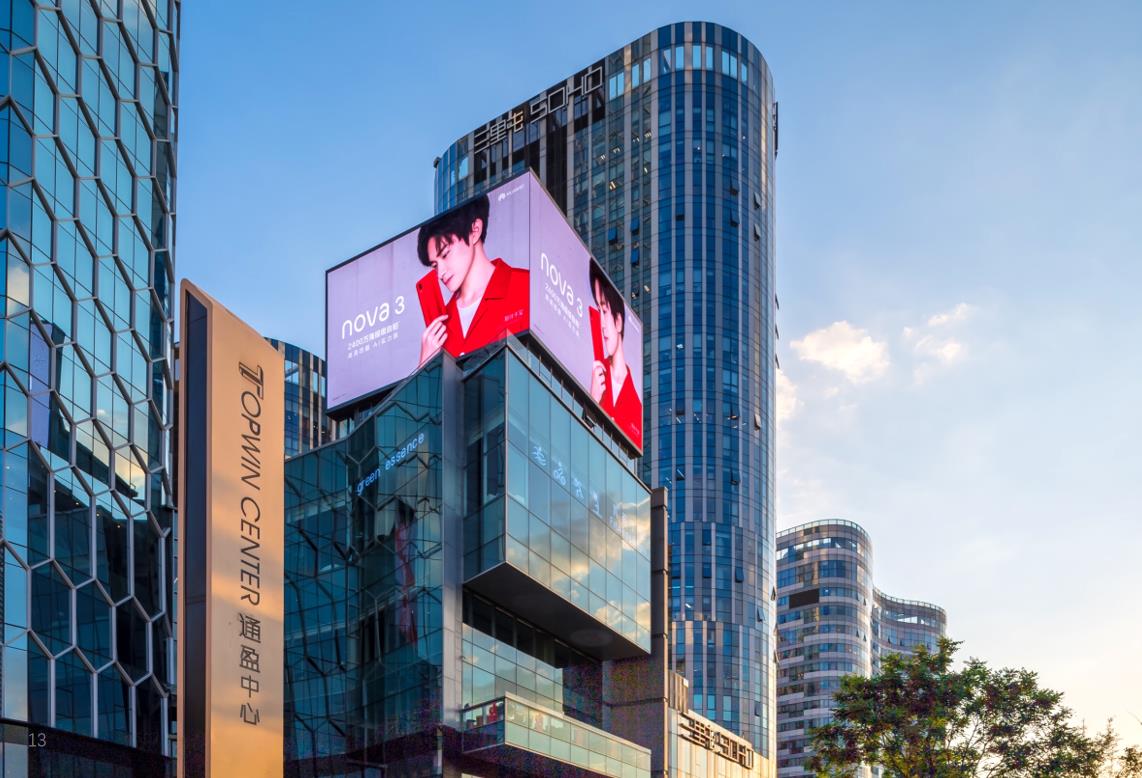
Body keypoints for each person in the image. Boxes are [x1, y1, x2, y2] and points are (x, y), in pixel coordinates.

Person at [415, 194, 529, 365]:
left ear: (474, 231)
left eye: (445, 254)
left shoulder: (527, 286)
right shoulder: (440, 328)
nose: (440, 273)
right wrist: (424, 365)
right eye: (435, 265)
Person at [589, 262, 643, 449]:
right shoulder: (595, 377)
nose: (601, 324)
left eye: (604, 311)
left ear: (618, 321)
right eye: (598, 310)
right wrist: (592, 400)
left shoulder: (636, 407)